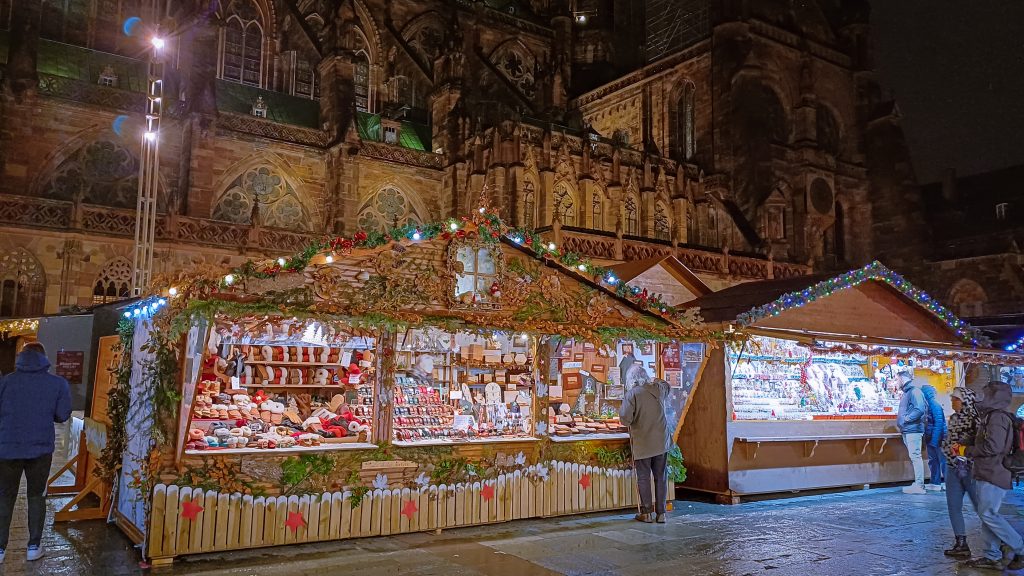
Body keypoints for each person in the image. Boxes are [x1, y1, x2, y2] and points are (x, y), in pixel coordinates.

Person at [0, 343, 72, 563]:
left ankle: (0, 550)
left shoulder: (7, 381)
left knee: (4, 496)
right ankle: (33, 546)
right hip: (40, 449)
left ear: (21, 357)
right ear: (44, 358)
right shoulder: (57, 384)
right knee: (36, 495)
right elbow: (62, 415)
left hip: (7, 447)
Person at [962, 379, 1024, 570]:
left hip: (994, 471)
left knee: (988, 513)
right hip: (987, 471)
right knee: (987, 514)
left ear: (993, 397)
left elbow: (994, 446)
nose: (982, 397)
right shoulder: (992, 416)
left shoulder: (997, 417)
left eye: (986, 393)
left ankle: (1018, 547)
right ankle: (991, 556)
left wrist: (968, 450)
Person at [620, 366, 673, 524]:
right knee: (661, 477)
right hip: (661, 441)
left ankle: (646, 513)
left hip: (643, 441)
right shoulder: (658, 388)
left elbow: (625, 419)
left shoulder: (632, 394)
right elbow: (666, 385)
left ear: (631, 379)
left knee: (643, 477)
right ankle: (661, 513)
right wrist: (654, 379)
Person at [941, 387, 979, 558]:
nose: (952, 401)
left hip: (970, 469)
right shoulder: (954, 419)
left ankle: (1000, 542)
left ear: (964, 401)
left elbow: (979, 445)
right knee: (953, 505)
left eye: (955, 399)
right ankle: (961, 542)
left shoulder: (975, 420)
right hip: (952, 467)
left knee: (981, 507)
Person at [895, 367, 928, 494]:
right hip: (909, 429)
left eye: (897, 379)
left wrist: (906, 419)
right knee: (914, 456)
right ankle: (918, 483)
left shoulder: (914, 391)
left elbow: (919, 409)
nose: (896, 382)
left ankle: (919, 485)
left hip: (913, 429)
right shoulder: (908, 392)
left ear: (903, 379)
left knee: (915, 456)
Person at [922, 384, 947, 490]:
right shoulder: (929, 405)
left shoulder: (934, 405)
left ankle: (947, 482)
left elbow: (939, 424)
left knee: (942, 461)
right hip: (933, 438)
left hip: (938, 439)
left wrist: (934, 440)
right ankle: (935, 482)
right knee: (934, 461)